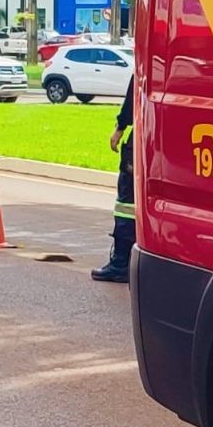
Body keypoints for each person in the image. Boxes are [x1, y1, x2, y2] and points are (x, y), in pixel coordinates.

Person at [91, 76, 136, 283]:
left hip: (146, 135)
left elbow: (136, 90)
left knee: (127, 204)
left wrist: (121, 126)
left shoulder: (148, 57)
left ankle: (121, 262)